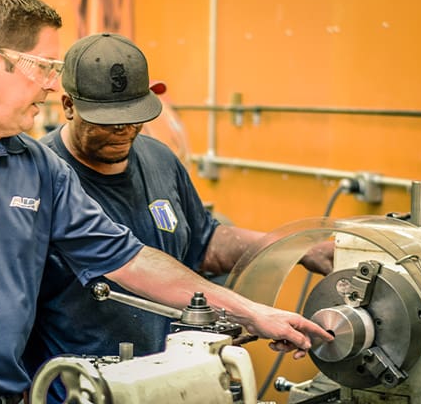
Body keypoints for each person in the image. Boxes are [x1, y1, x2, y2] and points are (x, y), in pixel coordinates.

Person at [0, 0, 332, 403]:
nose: (48, 85)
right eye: (44, 66)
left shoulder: (39, 168)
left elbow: (132, 261)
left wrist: (253, 312)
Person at [23, 32, 334, 402]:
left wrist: (294, 247)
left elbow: (204, 242)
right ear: (69, 106)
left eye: (134, 116)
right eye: (108, 121)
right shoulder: (37, 178)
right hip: (79, 390)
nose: (124, 130)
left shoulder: (159, 159)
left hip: (175, 383)